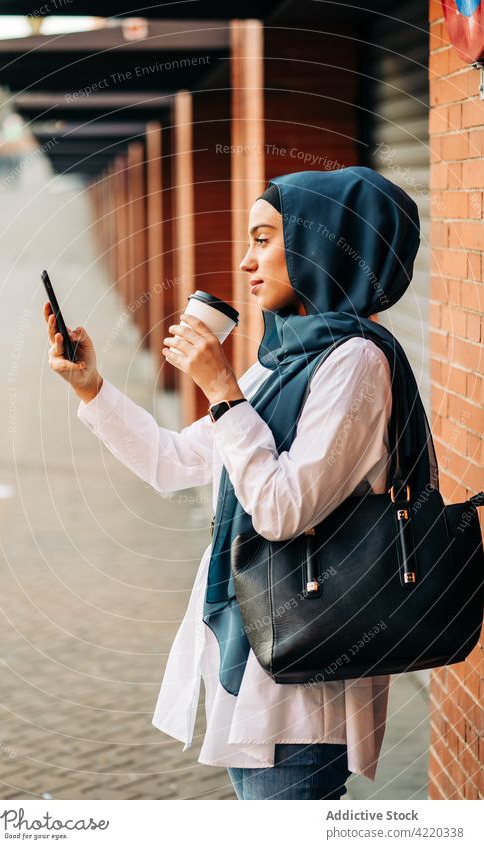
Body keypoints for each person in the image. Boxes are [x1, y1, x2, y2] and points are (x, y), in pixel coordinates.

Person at [45, 166, 428, 800]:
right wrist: (91, 387)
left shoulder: (357, 361)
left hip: (305, 677)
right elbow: (175, 462)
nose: (246, 262)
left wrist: (222, 389)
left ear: (321, 243)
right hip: (256, 658)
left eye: (263, 239)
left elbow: (282, 509)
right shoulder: (284, 361)